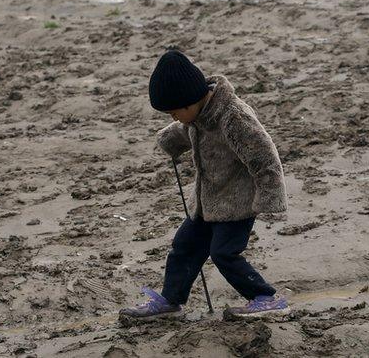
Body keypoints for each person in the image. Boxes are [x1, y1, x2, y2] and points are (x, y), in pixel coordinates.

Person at [119, 50, 290, 321]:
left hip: (238, 204)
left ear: (189, 102)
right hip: (208, 202)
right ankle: (171, 301)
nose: (174, 118)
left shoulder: (233, 117)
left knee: (223, 253)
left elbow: (264, 156)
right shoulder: (197, 115)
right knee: (184, 245)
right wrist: (170, 140)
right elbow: (185, 130)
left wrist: (269, 196)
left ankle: (264, 297)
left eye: (174, 112)